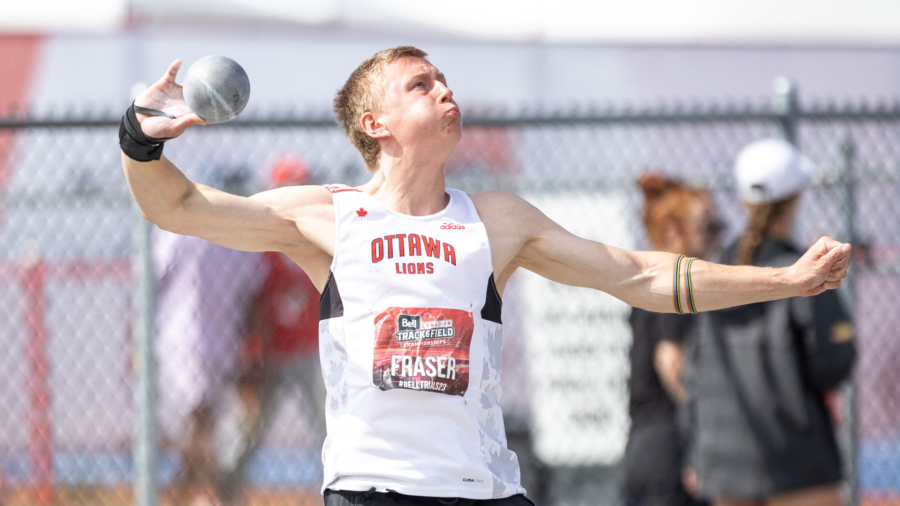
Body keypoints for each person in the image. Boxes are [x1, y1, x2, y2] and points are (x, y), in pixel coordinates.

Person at [120, 46, 850, 506]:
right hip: (373, 492)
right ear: (377, 123)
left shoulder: (495, 221)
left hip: (483, 489)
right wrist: (139, 138)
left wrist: (783, 283)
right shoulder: (327, 217)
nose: (443, 90)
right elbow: (178, 206)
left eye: (444, 79)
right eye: (419, 84)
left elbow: (638, 275)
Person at [686, 139, 857, 506]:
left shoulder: (713, 273)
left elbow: (692, 370)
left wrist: (695, 451)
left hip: (724, 461)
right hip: (797, 459)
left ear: (744, 202)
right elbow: (833, 363)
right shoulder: (804, 273)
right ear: (795, 198)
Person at [152, 169, 264, 506]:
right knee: (199, 424)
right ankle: (203, 493)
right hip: (185, 344)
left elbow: (251, 304)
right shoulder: (228, 239)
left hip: (208, 345)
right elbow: (150, 283)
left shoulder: (239, 242)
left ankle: (193, 494)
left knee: (202, 426)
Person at [626, 175, 719, 506]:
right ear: (673, 233)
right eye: (709, 227)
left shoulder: (659, 280)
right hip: (669, 447)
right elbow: (670, 360)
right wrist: (702, 436)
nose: (718, 236)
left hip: (651, 443)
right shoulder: (675, 280)